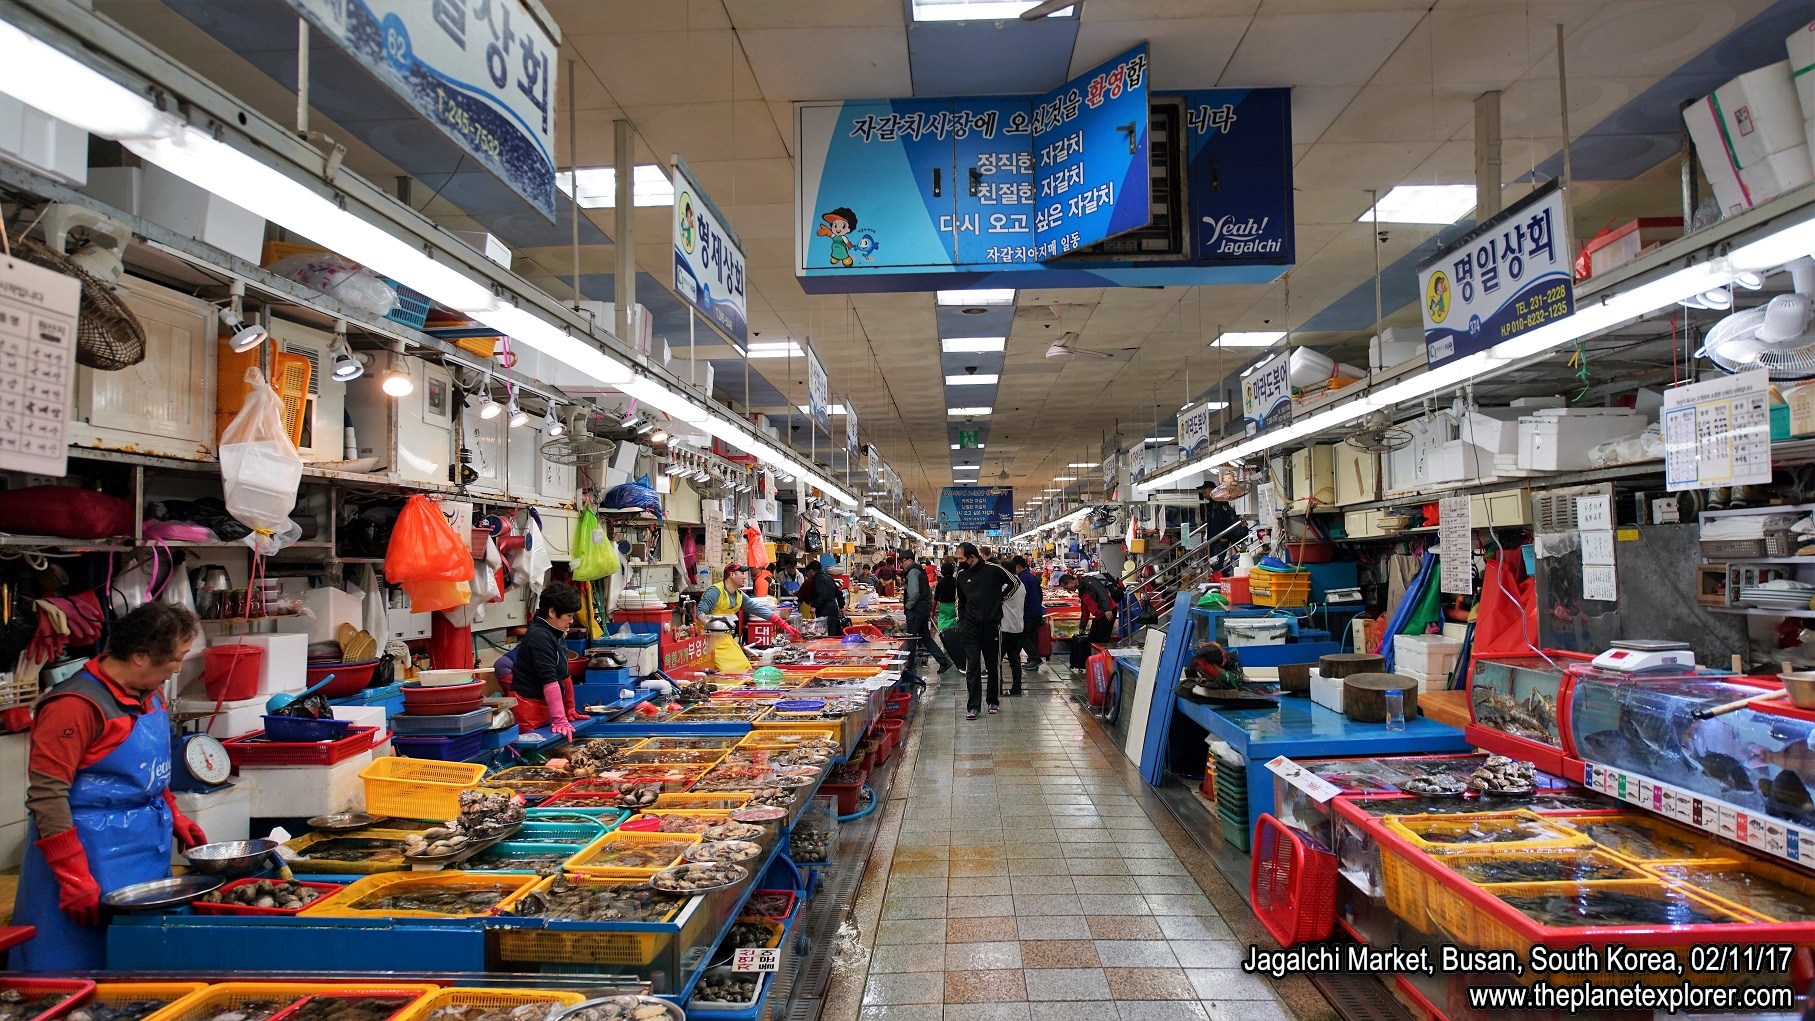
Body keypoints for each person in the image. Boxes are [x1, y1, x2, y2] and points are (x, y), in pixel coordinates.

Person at [18, 602, 206, 971]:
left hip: (143, 849)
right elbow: (46, 795)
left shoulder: (149, 692)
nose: (177, 669)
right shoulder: (74, 705)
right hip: (85, 853)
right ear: (139, 656)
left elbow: (149, 768)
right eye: (175, 659)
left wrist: (173, 811)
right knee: (76, 962)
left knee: (138, 960)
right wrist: (73, 876)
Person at [509, 584, 589, 739]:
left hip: (547, 707)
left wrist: (569, 708)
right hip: (530, 709)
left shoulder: (556, 632)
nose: (571, 621)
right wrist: (559, 719)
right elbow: (549, 679)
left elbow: (564, 674)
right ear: (552, 612)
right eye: (569, 616)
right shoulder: (539, 637)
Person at [954, 542, 1017, 720]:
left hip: (991, 625)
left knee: (992, 665)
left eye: (961, 559)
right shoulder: (961, 575)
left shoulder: (994, 569)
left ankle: (993, 701)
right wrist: (962, 622)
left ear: (972, 557)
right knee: (972, 666)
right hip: (970, 627)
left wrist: (1000, 599)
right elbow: (960, 600)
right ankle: (973, 706)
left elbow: (1015, 583)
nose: (959, 562)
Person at [696, 564, 800, 670]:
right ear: (732, 575)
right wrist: (713, 629)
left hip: (725, 638)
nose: (745, 577)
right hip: (708, 641)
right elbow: (699, 613)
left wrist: (784, 624)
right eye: (742, 573)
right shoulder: (715, 591)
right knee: (732, 669)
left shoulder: (739, 595)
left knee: (745, 665)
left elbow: (759, 610)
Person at [900, 551, 953, 683]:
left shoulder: (912, 572)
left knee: (912, 638)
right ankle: (944, 661)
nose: (901, 565)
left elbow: (913, 593)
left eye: (902, 562)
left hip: (916, 610)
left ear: (909, 560)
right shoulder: (919, 570)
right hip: (922, 609)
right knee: (925, 638)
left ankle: (909, 669)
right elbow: (927, 592)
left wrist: (908, 606)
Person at [1061, 572, 1117, 674]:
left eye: (1067, 587)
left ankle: (1104, 666)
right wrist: (1082, 625)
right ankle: (1095, 664)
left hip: (1107, 611)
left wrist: (1107, 609)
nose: (1068, 590)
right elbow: (1085, 609)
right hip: (1099, 615)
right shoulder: (1081, 591)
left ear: (1070, 581)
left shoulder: (1087, 581)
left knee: (1102, 639)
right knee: (1091, 639)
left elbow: (1102, 592)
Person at [1011, 555, 1045, 672]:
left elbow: (1023, 597)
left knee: (1023, 637)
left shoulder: (1023, 579)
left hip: (1028, 613)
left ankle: (1035, 659)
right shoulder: (1032, 576)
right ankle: (1032, 660)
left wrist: (1020, 610)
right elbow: (1040, 594)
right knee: (1032, 637)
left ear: (1018, 567)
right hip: (1036, 611)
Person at [998, 564, 1027, 697]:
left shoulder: (1005, 586)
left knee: (996, 659)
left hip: (1006, 627)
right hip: (1018, 626)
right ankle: (1016, 688)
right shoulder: (1020, 584)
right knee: (1014, 659)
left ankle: (997, 687)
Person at [798, 561, 846, 628]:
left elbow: (822, 594)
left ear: (811, 571)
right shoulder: (828, 577)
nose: (807, 576)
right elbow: (838, 592)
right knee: (831, 634)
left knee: (823, 633)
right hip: (833, 609)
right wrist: (841, 606)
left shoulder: (817, 579)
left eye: (807, 573)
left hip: (824, 610)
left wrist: (814, 606)